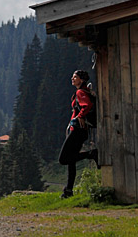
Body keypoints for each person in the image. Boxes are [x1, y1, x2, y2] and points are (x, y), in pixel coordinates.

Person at [58, 69, 99, 198]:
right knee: (71, 161)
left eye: (74, 77)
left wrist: (80, 116)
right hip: (81, 131)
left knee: (63, 159)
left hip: (77, 131)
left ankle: (92, 154)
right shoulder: (85, 91)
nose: (72, 79)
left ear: (81, 80)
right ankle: (68, 191)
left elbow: (86, 105)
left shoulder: (80, 92)